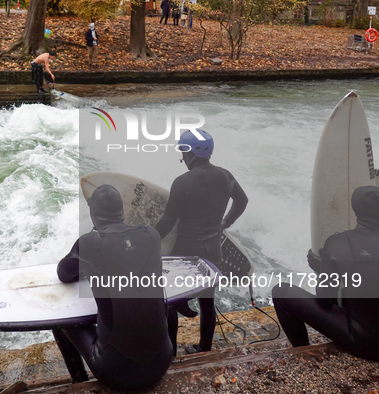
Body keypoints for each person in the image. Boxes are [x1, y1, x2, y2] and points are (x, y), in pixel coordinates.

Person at [52, 185, 173, 391]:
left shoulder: (91, 243)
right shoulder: (151, 235)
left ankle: (79, 381)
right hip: (162, 363)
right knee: (164, 304)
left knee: (63, 320)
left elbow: (64, 274)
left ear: (92, 214)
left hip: (117, 372)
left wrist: (87, 266)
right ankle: (174, 352)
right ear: (122, 211)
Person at [155, 129, 248, 355]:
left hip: (185, 255)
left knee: (169, 304)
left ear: (190, 153)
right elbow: (242, 200)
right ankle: (204, 347)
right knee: (208, 302)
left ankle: (171, 349)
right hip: (212, 251)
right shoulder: (226, 176)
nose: (182, 158)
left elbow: (168, 221)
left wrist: (147, 239)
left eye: (183, 153)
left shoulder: (182, 182)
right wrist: (225, 223)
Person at [272, 186, 379, 360]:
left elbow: (325, 300)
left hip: (366, 344)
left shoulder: (339, 243)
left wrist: (321, 270)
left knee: (281, 292)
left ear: (354, 207)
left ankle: (303, 351)